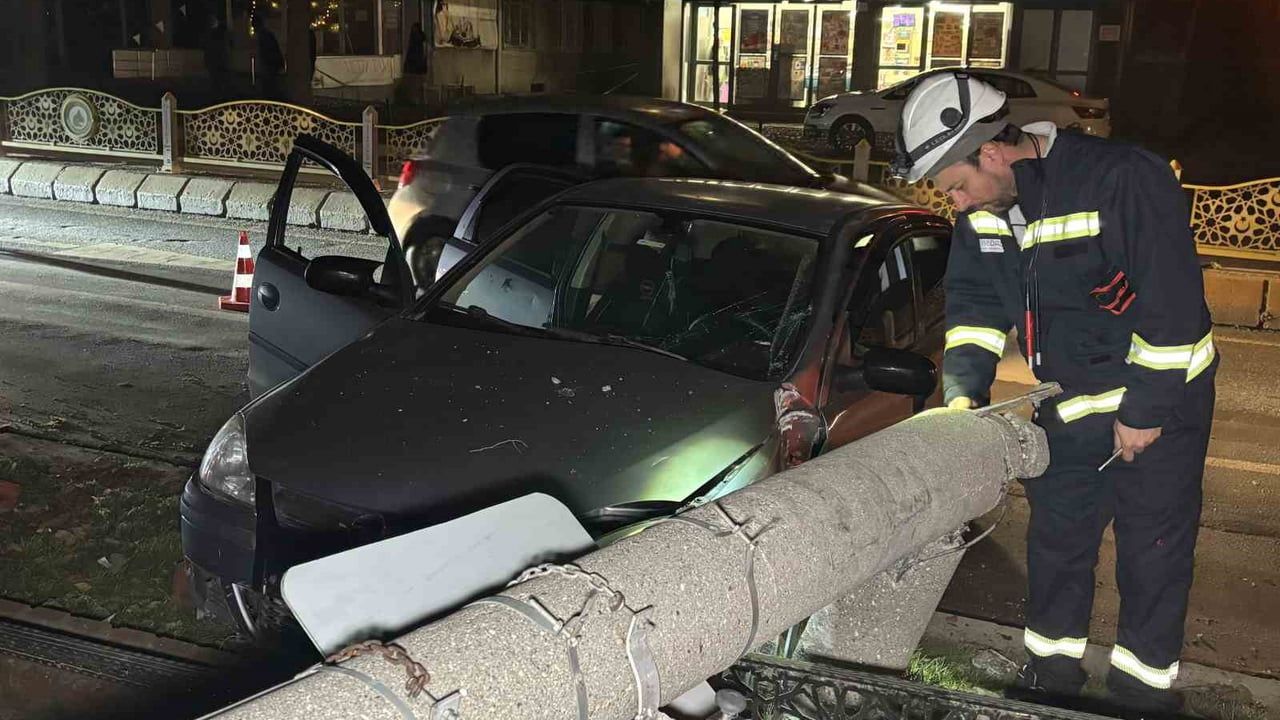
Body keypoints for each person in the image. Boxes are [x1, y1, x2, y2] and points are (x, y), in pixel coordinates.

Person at [891, 72, 1215, 716]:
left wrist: (1145, 410)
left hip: (1160, 405)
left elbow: (1174, 308)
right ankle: (1052, 675)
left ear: (991, 152)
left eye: (955, 185)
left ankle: (1140, 695)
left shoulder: (1121, 178)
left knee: (1152, 554)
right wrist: (963, 395)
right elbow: (977, 308)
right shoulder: (987, 212)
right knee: (1058, 542)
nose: (954, 202)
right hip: (1068, 404)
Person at [252, 13, 284, 99]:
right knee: (271, 88)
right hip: (272, 66)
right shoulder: (267, 34)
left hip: (269, 67)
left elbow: (267, 53)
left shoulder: (263, 36)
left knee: (269, 89)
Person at [202, 14, 230, 99]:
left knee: (218, 82)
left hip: (217, 63)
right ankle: (217, 97)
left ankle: (218, 97)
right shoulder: (214, 36)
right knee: (217, 82)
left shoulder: (216, 35)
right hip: (216, 63)